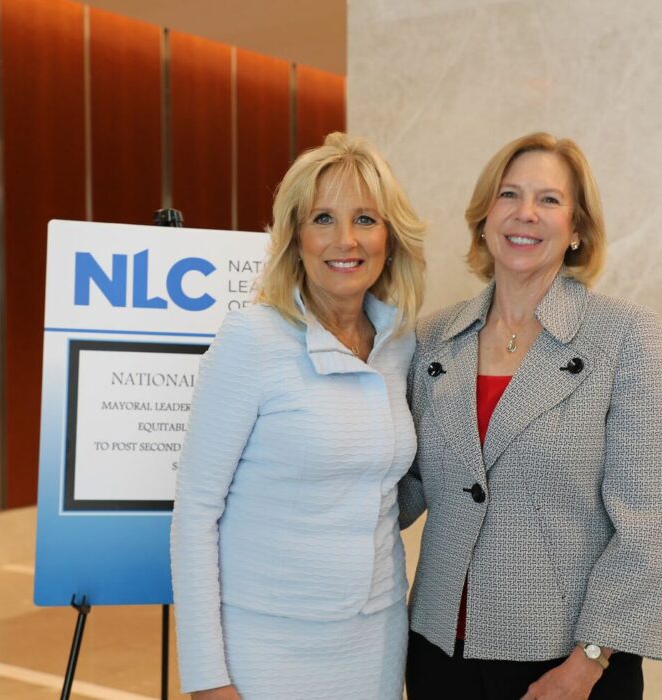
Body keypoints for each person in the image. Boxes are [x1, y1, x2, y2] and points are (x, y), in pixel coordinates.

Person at [400, 132, 662, 700]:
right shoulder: (433, 339)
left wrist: (588, 662)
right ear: (484, 217)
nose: (525, 214)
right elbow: (404, 487)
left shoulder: (624, 338)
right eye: (509, 195)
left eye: (549, 200)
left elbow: (649, 524)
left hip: (567, 666)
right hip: (437, 654)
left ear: (577, 229)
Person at [170, 132, 426, 699]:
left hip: (376, 639)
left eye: (365, 219)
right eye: (323, 219)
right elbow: (195, 513)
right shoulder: (252, 339)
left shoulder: (400, 344)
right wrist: (208, 677)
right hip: (266, 644)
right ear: (295, 236)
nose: (345, 240)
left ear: (389, 236)